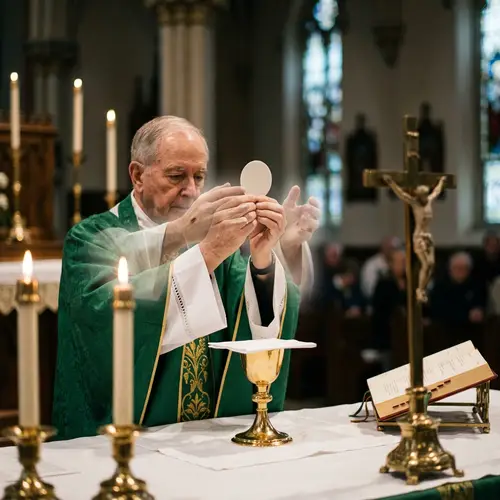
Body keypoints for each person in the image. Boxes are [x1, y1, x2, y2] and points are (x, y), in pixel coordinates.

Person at [53, 116, 318, 439]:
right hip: (129, 438)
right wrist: (206, 252)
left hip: (207, 440)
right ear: (137, 175)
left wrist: (266, 255)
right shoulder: (91, 238)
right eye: (177, 176)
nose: (190, 190)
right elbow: (106, 322)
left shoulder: (215, 242)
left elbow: (255, 319)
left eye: (200, 176)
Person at [383, 175, 446, 303]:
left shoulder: (429, 200)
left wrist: (442, 182)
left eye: (425, 194)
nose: (424, 197)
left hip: (428, 236)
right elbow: (401, 194)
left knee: (432, 264)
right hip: (419, 236)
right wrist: (391, 183)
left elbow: (437, 191)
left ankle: (424, 287)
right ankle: (420, 290)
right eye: (422, 194)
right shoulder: (415, 204)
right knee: (426, 263)